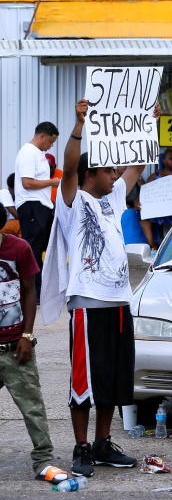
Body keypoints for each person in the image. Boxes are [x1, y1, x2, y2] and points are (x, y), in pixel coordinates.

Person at [46, 100, 156, 477]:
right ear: (90, 173)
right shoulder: (72, 201)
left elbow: (137, 166)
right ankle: (80, 448)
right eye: (110, 170)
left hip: (118, 303)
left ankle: (103, 444)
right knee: (84, 382)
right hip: (87, 305)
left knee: (111, 378)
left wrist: (146, 127)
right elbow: (71, 162)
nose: (117, 175)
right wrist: (78, 127)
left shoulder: (111, 197)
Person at [0, 207, 70, 486]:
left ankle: (43, 460)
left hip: (14, 347)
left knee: (33, 408)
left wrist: (27, 336)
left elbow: (30, 291)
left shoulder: (19, 248)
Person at [15, 121, 60, 298]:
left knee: (42, 249)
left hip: (41, 206)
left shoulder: (38, 153)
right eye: (50, 142)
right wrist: (52, 182)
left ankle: (41, 289)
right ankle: (33, 291)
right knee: (33, 250)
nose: (51, 146)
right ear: (42, 136)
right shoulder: (28, 152)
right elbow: (27, 183)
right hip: (31, 205)